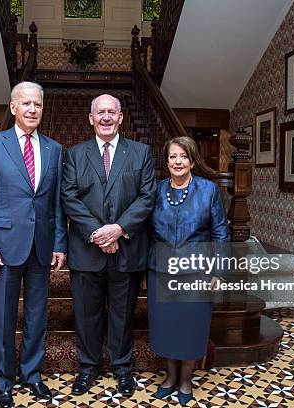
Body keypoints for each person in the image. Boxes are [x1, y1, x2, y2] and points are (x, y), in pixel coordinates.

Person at [0, 81, 67, 408]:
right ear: (13, 107)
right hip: (4, 246)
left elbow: (56, 203)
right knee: (5, 318)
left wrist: (59, 243)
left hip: (41, 246)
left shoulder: (55, 150)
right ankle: (4, 381)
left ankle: (32, 375)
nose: (32, 109)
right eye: (25, 103)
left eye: (37, 104)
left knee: (38, 316)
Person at [61, 94, 156, 397]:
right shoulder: (74, 154)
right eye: (100, 112)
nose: (105, 117)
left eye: (111, 112)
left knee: (122, 314)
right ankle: (87, 367)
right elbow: (69, 197)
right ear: (90, 118)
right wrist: (97, 233)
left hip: (126, 250)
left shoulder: (140, 153)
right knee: (86, 314)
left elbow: (147, 197)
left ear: (120, 117)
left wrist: (118, 229)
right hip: (86, 251)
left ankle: (122, 367)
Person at [146, 136, 229, 406]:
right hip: (161, 270)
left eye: (183, 156)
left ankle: (185, 379)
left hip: (197, 271)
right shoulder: (156, 190)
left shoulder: (208, 191)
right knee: (166, 327)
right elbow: (146, 232)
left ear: (193, 160)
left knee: (192, 328)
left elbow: (220, 232)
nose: (177, 162)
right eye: (172, 157)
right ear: (166, 161)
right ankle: (170, 377)